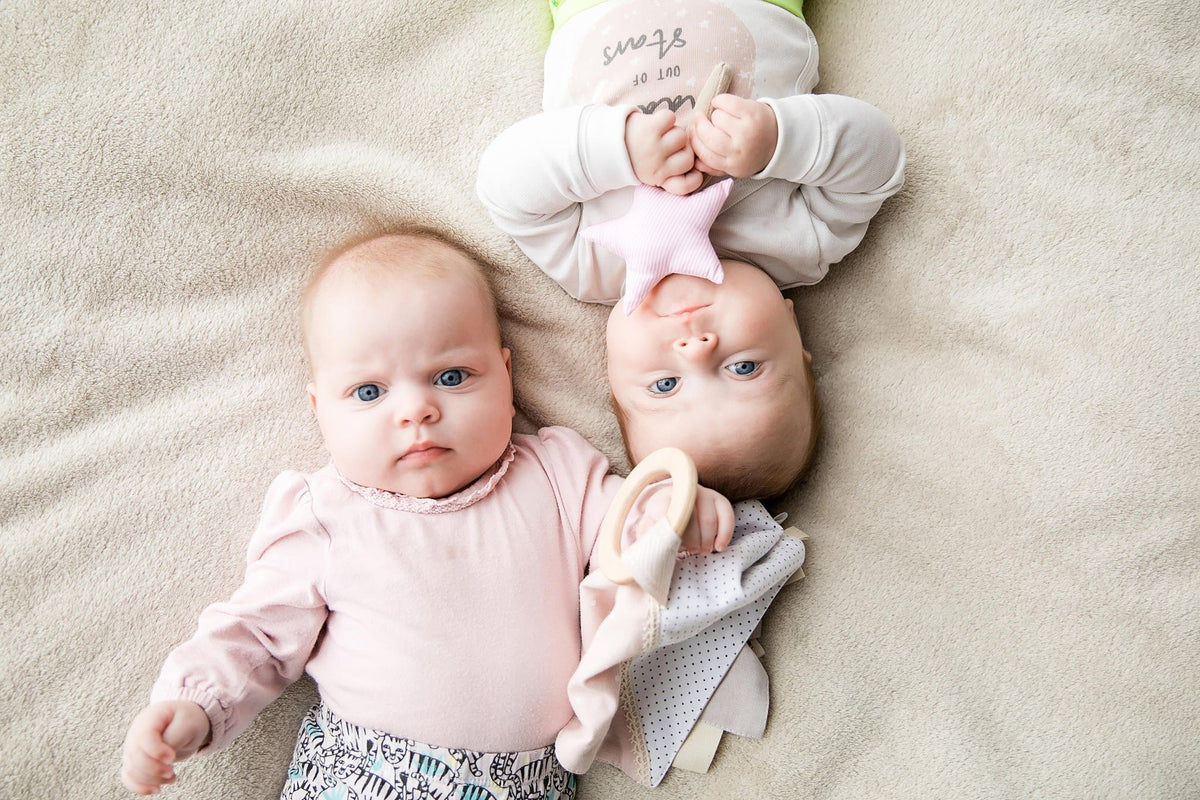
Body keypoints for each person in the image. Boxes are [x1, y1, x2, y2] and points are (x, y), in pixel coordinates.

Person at [118, 228, 735, 799]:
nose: (416, 410)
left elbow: (626, 532)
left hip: (528, 780)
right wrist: (193, 706)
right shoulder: (325, 515)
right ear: (319, 409)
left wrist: (676, 511)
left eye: (450, 375)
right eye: (369, 392)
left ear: (505, 372)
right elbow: (256, 635)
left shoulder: (556, 474)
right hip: (368, 771)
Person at [476, 0, 905, 500]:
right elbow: (879, 161)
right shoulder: (798, 246)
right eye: (744, 368)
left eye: (665, 385)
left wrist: (614, 149)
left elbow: (504, 185)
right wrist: (778, 140)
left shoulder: (592, 267)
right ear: (792, 332)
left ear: (612, 374)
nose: (695, 350)